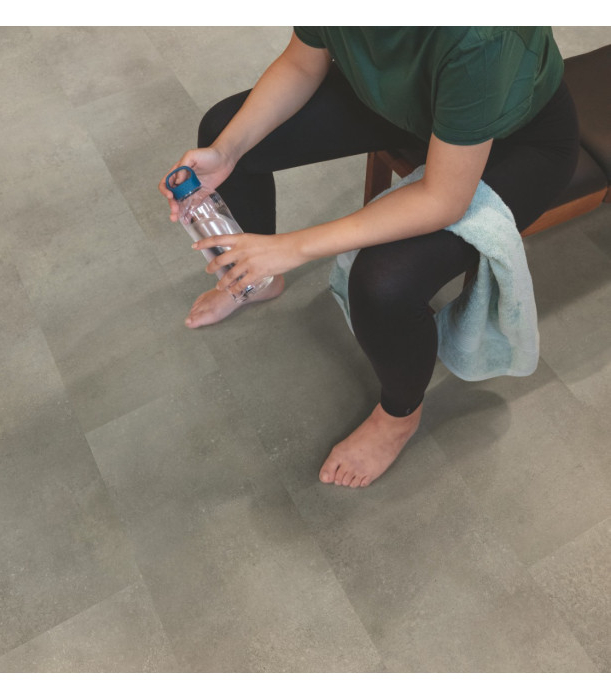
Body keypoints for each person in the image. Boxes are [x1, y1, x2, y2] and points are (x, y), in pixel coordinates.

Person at [159, 27, 579, 489]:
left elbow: (442, 199)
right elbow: (301, 63)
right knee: (225, 130)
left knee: (385, 283)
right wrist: (226, 152)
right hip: (417, 104)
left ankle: (399, 415)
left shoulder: (481, 36)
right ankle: (257, 280)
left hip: (518, 137)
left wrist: (293, 248)